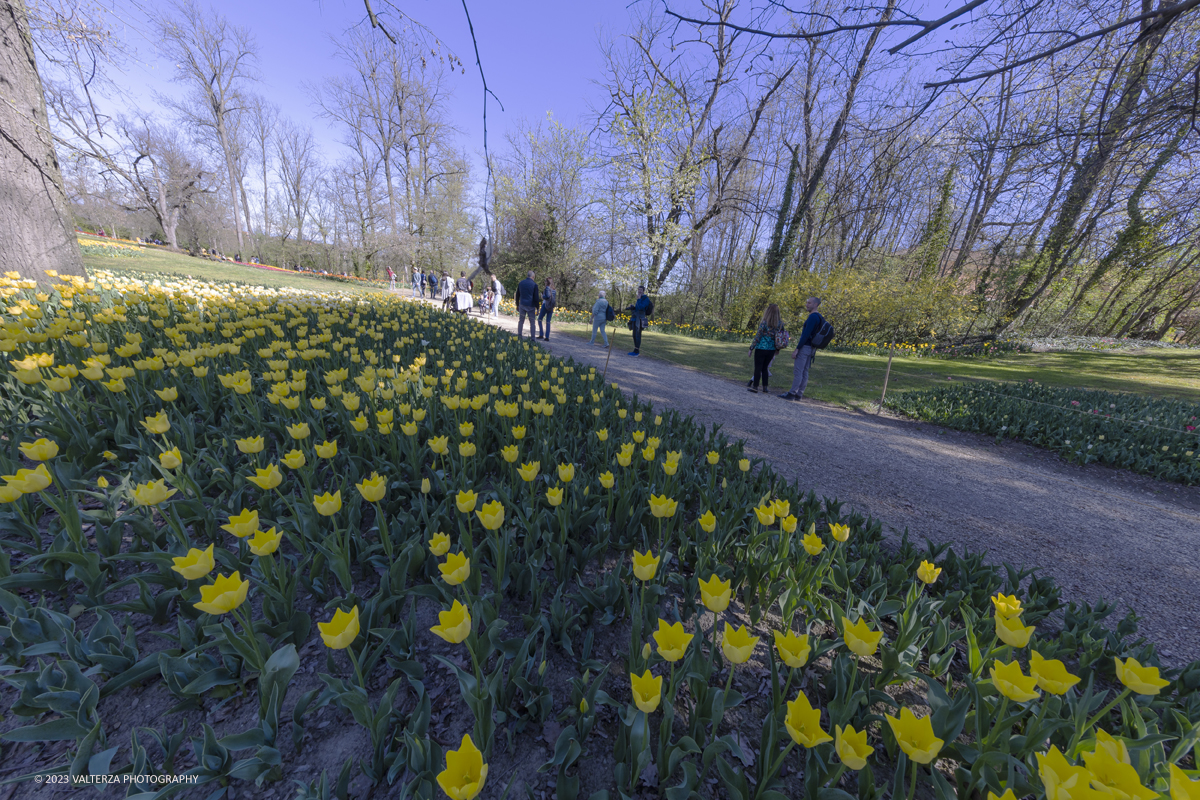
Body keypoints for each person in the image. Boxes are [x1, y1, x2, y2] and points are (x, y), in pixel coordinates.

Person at [780, 297, 825, 401]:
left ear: (816, 305)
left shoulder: (813, 317)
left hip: (805, 347)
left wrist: (797, 349)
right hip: (812, 348)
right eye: (806, 302)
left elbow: (805, 335)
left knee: (798, 371)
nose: (807, 305)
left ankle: (792, 393)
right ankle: (799, 394)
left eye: (809, 303)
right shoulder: (819, 317)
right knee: (804, 372)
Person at [747, 304, 785, 394]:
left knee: (758, 367)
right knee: (765, 368)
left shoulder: (764, 322)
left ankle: (755, 386)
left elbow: (758, 336)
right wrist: (778, 349)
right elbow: (780, 337)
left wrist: (751, 348)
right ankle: (765, 387)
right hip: (771, 349)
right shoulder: (780, 324)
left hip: (761, 347)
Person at [626, 285, 652, 357]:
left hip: (640, 319)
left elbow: (641, 307)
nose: (639, 291)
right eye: (638, 290)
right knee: (634, 335)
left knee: (637, 335)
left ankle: (637, 352)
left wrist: (639, 299)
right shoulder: (639, 299)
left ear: (643, 291)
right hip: (635, 318)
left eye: (641, 290)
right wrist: (632, 308)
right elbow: (637, 308)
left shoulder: (646, 299)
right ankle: (635, 350)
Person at [515, 271, 539, 340]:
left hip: (522, 304)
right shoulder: (534, 285)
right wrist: (537, 308)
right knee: (532, 323)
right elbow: (536, 298)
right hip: (531, 306)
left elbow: (517, 295)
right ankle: (533, 338)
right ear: (533, 277)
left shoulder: (521, 283)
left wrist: (517, 305)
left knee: (521, 321)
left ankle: (519, 335)